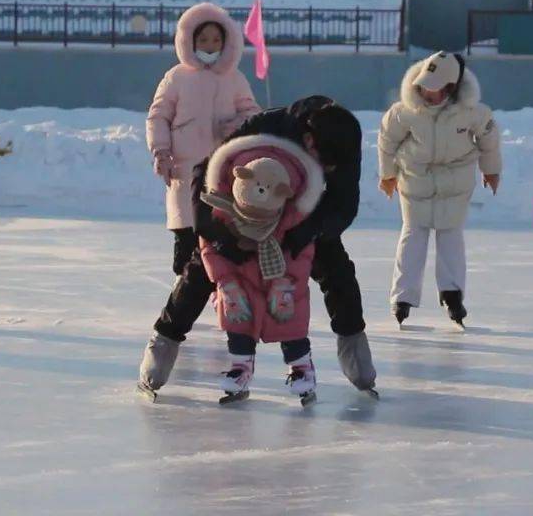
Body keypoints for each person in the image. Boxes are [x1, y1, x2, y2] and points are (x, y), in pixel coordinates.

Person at [139, 96, 378, 398]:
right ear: (308, 140)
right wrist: (216, 232)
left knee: (338, 272)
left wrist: (304, 233)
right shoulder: (266, 126)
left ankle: (359, 364)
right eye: (325, 164)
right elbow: (209, 169)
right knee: (201, 270)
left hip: (299, 219)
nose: (329, 170)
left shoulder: (343, 144)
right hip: (242, 215)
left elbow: (343, 205)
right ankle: (158, 355)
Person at [377, 51, 501, 328]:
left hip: (455, 182)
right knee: (413, 235)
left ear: (451, 87)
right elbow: (387, 141)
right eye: (423, 86)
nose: (425, 93)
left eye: (433, 88)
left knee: (450, 236)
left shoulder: (472, 112)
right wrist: (388, 175)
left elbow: (488, 140)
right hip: (415, 179)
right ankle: (403, 297)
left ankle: (452, 294)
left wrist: (490, 170)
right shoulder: (404, 111)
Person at [198, 134, 325, 405]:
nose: (252, 222)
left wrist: (286, 282)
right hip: (239, 279)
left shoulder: (293, 219)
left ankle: (302, 368)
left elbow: (302, 254)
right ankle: (240, 367)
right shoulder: (222, 212)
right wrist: (225, 282)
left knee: (289, 323)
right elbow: (210, 248)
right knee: (238, 322)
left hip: (281, 282)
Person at [147, 2, 260, 276]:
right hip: (184, 170)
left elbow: (253, 114)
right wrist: (161, 151)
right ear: (190, 40)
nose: (210, 45)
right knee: (186, 238)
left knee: (220, 239)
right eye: (203, 39)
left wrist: (236, 125)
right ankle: (182, 293)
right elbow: (158, 116)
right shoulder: (176, 77)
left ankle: (221, 294)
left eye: (216, 40)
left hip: (223, 174)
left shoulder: (234, 79)